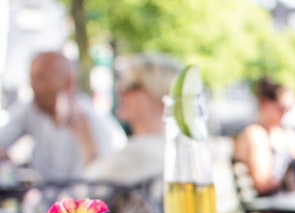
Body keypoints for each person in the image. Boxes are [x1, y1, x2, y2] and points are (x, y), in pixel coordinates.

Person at [0, 51, 126, 181]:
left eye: (42, 78)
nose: (34, 85)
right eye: (32, 78)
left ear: (69, 83)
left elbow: (91, 187)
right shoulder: (32, 110)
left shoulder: (95, 123)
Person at [83, 53, 181, 183]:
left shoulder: (141, 153)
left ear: (159, 93)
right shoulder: (176, 148)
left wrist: (83, 136)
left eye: (130, 86)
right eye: (120, 84)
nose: (120, 91)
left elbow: (81, 190)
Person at [232, 76, 295, 196]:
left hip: (282, 202)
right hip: (271, 208)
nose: (285, 113)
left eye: (289, 109)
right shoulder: (255, 135)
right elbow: (262, 183)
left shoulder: (279, 132)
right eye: (282, 108)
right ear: (265, 103)